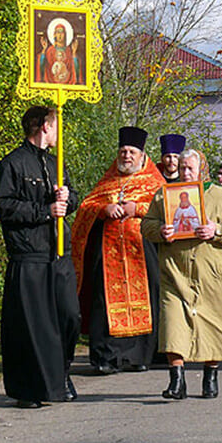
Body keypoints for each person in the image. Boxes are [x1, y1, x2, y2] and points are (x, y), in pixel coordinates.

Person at [141, 149, 222, 399]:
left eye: (190, 168)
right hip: (175, 273)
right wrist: (161, 230)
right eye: (182, 168)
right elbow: (146, 224)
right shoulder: (164, 196)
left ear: (202, 169)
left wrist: (216, 229)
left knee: (214, 325)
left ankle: (210, 375)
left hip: (211, 276)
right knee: (173, 324)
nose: (185, 172)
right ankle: (176, 381)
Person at [0, 106, 80, 408]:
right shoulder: (11, 164)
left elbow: (73, 199)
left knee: (69, 316)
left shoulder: (57, 163)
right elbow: (5, 207)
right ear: (44, 127)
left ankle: (61, 373)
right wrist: (44, 211)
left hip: (59, 252)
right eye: (56, 126)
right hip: (29, 253)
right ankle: (29, 388)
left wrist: (66, 198)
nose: (59, 133)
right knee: (32, 326)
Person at [71, 127, 164, 374]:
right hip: (108, 255)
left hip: (142, 252)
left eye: (132, 152)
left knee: (146, 298)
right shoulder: (108, 181)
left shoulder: (155, 182)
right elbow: (86, 206)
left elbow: (168, 208)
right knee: (104, 302)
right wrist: (104, 209)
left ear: (142, 155)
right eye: (123, 151)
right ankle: (106, 357)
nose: (126, 156)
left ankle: (140, 356)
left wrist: (138, 209)